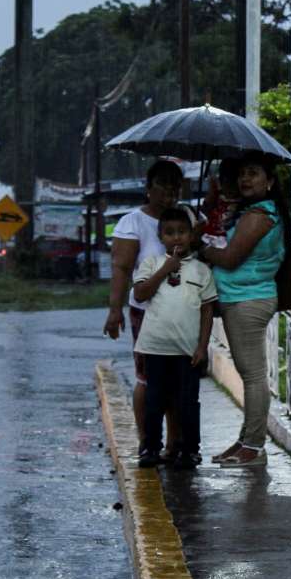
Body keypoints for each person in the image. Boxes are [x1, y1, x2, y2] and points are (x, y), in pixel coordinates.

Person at [199, 158, 291, 468]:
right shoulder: (253, 212)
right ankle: (245, 440)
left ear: (270, 181)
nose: (245, 179)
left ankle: (253, 446)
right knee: (250, 374)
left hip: (248, 300)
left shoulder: (259, 215)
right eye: (241, 173)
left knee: (253, 377)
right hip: (241, 298)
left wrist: (202, 247)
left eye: (252, 172)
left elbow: (230, 258)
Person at [103, 160, 185, 452]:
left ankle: (175, 441)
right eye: (163, 184)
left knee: (178, 379)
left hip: (181, 314)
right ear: (148, 188)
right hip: (146, 312)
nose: (169, 192)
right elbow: (122, 269)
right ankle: (147, 440)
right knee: (148, 378)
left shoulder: (186, 217)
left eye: (175, 186)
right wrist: (114, 311)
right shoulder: (133, 222)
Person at [132, 207, 217, 469]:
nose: (176, 238)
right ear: (160, 237)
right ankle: (150, 447)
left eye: (182, 232)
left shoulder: (202, 271)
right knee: (155, 400)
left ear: (192, 236)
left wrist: (202, 347)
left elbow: (207, 311)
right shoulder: (151, 264)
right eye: (169, 233)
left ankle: (189, 449)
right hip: (155, 348)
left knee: (188, 402)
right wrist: (165, 269)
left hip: (187, 351)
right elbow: (140, 294)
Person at [200, 157, 242, 248]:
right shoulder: (217, 198)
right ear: (221, 182)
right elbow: (204, 213)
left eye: (233, 182)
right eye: (226, 182)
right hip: (208, 240)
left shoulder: (243, 205)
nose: (230, 187)